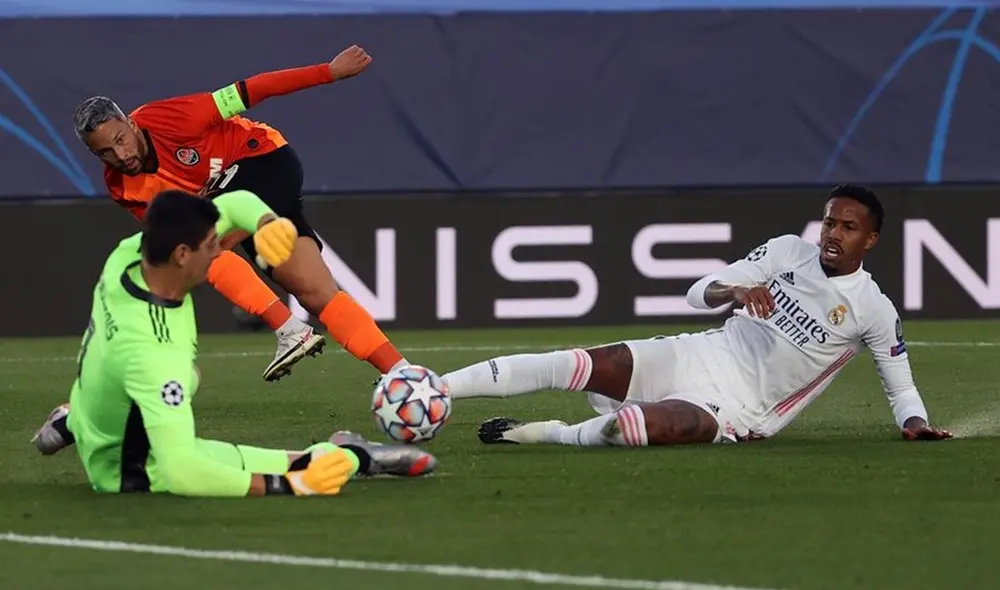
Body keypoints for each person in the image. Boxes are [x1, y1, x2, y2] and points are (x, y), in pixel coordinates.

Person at [443, 185, 953, 447]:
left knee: (629, 430)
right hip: (697, 353)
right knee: (574, 362)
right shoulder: (785, 252)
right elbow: (697, 293)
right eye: (829, 222)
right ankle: (434, 388)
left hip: (738, 408)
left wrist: (915, 424)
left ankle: (543, 432)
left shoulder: (873, 308)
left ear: (870, 239)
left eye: (848, 227)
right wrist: (736, 289)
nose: (833, 234)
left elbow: (900, 386)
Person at [33, 189, 434, 496]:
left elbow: (236, 201)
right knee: (198, 397)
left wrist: (266, 222)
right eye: (212, 246)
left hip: (99, 409)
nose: (219, 253)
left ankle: (73, 420)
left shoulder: (127, 257)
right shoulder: (155, 355)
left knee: (180, 377)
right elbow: (182, 470)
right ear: (182, 254)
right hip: (128, 472)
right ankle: (352, 457)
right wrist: (289, 486)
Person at [71, 44, 409, 382]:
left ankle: (290, 330)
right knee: (315, 292)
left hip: (264, 161)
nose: (120, 155)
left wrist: (328, 72)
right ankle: (403, 374)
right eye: (105, 152)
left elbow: (255, 87)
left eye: (120, 139)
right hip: (236, 205)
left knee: (200, 244)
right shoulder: (122, 187)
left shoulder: (173, 117)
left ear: (131, 123)